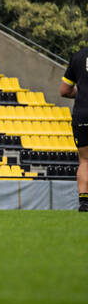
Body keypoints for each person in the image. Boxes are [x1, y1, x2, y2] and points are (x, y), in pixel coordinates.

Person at [60, 47, 88, 212]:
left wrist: (81, 91)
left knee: (85, 160)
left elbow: (64, 90)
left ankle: (84, 202)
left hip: (82, 115)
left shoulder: (77, 57)